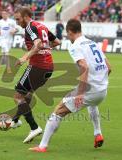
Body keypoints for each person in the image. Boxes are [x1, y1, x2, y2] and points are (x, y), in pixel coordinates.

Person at [29, 19, 112, 152]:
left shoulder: (75, 46)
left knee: (58, 111)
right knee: (92, 104)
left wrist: (80, 93)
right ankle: (98, 134)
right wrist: (100, 82)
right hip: (102, 91)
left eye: (67, 34)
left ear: (69, 32)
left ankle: (42, 146)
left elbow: (84, 66)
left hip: (90, 91)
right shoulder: (93, 43)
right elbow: (109, 67)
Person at [11, 7, 61, 143]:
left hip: (37, 67)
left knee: (17, 96)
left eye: (18, 19)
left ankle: (34, 127)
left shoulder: (30, 27)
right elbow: (57, 42)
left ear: (26, 17)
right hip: (49, 67)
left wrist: (25, 57)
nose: (16, 23)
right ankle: (15, 120)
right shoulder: (41, 26)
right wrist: (47, 48)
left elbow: (37, 44)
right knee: (27, 95)